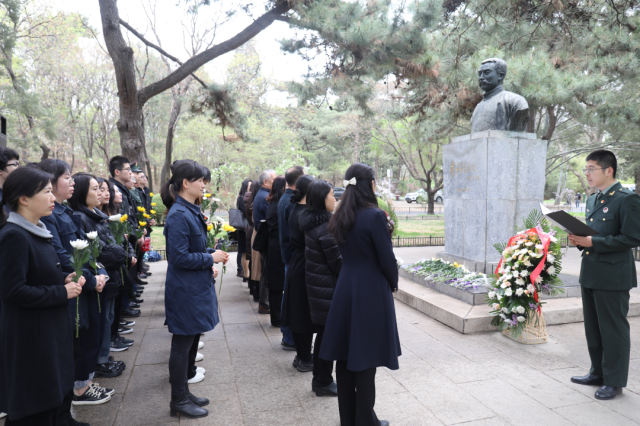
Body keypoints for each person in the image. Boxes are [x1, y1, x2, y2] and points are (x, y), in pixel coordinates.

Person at [0, 166, 86, 426]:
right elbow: (12, 291)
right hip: (32, 339)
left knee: (52, 402)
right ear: (24, 199)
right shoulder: (14, 236)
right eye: (47, 192)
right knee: (35, 409)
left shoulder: (36, 230)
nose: (52, 198)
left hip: (48, 333)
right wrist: (61, 291)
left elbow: (36, 276)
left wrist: (64, 278)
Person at [322, 163, 399, 426]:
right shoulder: (374, 216)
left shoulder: (340, 214)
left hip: (346, 286)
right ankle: (366, 420)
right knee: (366, 357)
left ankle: (349, 419)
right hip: (370, 289)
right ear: (371, 184)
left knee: (345, 356)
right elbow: (387, 260)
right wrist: (393, 283)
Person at [38, 159, 111, 407]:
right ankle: (79, 389)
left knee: (91, 336)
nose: (71, 182)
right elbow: (63, 256)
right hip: (74, 287)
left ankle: (84, 384)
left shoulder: (66, 212)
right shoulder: (51, 216)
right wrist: (91, 280)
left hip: (86, 283)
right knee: (79, 341)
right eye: (66, 177)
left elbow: (86, 251)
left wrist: (100, 274)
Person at [568, 150, 640, 400]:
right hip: (591, 271)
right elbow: (595, 234)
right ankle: (597, 373)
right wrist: (580, 240)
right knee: (594, 328)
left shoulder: (627, 199)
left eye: (591, 169)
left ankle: (614, 381)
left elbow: (632, 238)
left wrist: (593, 242)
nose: (586, 173)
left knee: (613, 330)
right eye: (586, 169)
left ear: (608, 170)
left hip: (613, 276)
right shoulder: (593, 199)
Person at [161, 161, 229, 418]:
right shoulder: (179, 214)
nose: (204, 185)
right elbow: (178, 257)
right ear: (185, 183)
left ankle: (184, 392)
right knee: (182, 345)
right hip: (185, 290)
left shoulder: (189, 210)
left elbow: (192, 249)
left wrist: (210, 253)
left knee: (189, 344)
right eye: (200, 180)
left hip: (193, 287)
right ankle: (178, 400)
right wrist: (209, 259)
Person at [70, 174, 128, 380]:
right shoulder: (81, 217)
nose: (102, 193)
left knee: (107, 318)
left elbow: (111, 243)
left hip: (106, 276)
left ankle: (102, 358)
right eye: (95, 189)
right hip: (97, 279)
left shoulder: (96, 215)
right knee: (100, 322)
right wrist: (119, 254)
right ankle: (98, 363)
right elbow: (98, 252)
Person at [299, 179, 341, 397]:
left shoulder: (314, 224)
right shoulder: (325, 228)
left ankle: (320, 380)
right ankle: (323, 381)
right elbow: (338, 263)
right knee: (327, 336)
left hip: (320, 288)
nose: (335, 198)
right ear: (322, 199)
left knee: (325, 334)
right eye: (332, 194)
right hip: (327, 289)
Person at [281, 175, 316, 373]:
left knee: (298, 312)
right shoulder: (306, 213)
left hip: (297, 263)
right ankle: (305, 358)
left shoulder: (296, 209)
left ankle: (301, 356)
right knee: (303, 315)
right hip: (303, 265)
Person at [278, 166, 305, 351]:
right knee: (291, 298)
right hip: (293, 255)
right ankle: (289, 337)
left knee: (288, 296)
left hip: (288, 254)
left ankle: (287, 335)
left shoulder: (284, 197)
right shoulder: (292, 201)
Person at [253, 169, 276, 313]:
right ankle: (265, 304)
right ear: (266, 182)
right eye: (274, 179)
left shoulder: (262, 194)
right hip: (267, 240)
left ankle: (265, 303)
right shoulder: (264, 197)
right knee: (266, 272)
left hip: (264, 238)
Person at [265, 176, 287, 328]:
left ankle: (276, 316)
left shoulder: (273, 203)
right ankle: (277, 317)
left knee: (276, 283)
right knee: (276, 284)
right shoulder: (277, 205)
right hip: (277, 247)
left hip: (274, 246)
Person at [246, 181, 261, 302]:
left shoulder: (251, 201)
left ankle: (252, 288)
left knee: (252, 261)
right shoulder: (258, 202)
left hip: (250, 230)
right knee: (256, 262)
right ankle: (255, 290)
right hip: (255, 231)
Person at [236, 178, 251, 279]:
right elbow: (245, 212)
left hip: (246, 228)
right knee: (243, 251)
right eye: (249, 186)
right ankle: (242, 271)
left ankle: (244, 271)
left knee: (244, 251)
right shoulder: (242, 198)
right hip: (243, 228)